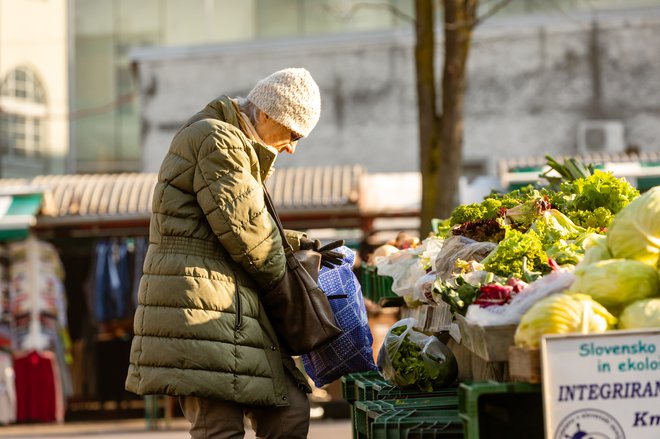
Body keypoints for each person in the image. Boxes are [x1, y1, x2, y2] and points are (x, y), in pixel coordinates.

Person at [125, 67, 343, 439]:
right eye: (293, 133)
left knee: (289, 411)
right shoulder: (217, 140)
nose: (292, 146)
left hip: (226, 304)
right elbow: (251, 238)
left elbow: (236, 224)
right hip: (201, 307)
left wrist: (298, 243)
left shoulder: (228, 141)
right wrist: (300, 304)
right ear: (269, 113)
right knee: (220, 427)